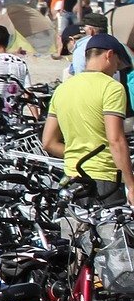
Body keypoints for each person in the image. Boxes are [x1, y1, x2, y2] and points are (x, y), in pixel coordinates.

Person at [44, 34, 134, 207]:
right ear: (109, 55)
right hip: (105, 180)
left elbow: (48, 142)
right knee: (109, 232)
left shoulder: (62, 89)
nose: (116, 70)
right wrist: (131, 185)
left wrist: (79, 154)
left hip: (72, 178)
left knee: (75, 232)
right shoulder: (112, 88)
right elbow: (115, 140)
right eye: (117, 63)